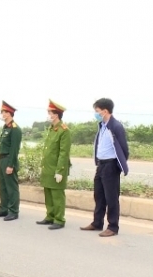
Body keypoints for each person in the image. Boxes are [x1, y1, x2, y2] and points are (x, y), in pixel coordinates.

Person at [80, 98, 129, 237]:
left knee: (111, 197)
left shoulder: (116, 126)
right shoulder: (102, 125)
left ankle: (113, 227)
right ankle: (97, 222)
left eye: (97, 111)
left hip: (111, 165)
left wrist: (118, 166)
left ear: (105, 111)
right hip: (101, 165)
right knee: (99, 195)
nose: (96, 114)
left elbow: (124, 149)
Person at [37, 99, 72, 230]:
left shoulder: (64, 131)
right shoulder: (52, 129)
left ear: (56, 114)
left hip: (56, 168)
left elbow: (64, 153)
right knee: (48, 194)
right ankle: (50, 216)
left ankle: (59, 219)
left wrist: (60, 171)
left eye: (50, 112)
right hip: (48, 168)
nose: (48, 115)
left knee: (57, 195)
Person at [0, 101, 22, 221]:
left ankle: (13, 211)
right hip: (2, 159)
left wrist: (11, 165)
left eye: (3, 112)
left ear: (9, 113)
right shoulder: (5, 128)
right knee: (2, 186)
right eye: (2, 112)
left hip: (9, 160)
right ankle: (3, 209)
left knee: (11, 187)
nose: (2, 114)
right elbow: (2, 147)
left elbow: (14, 149)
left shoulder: (15, 129)